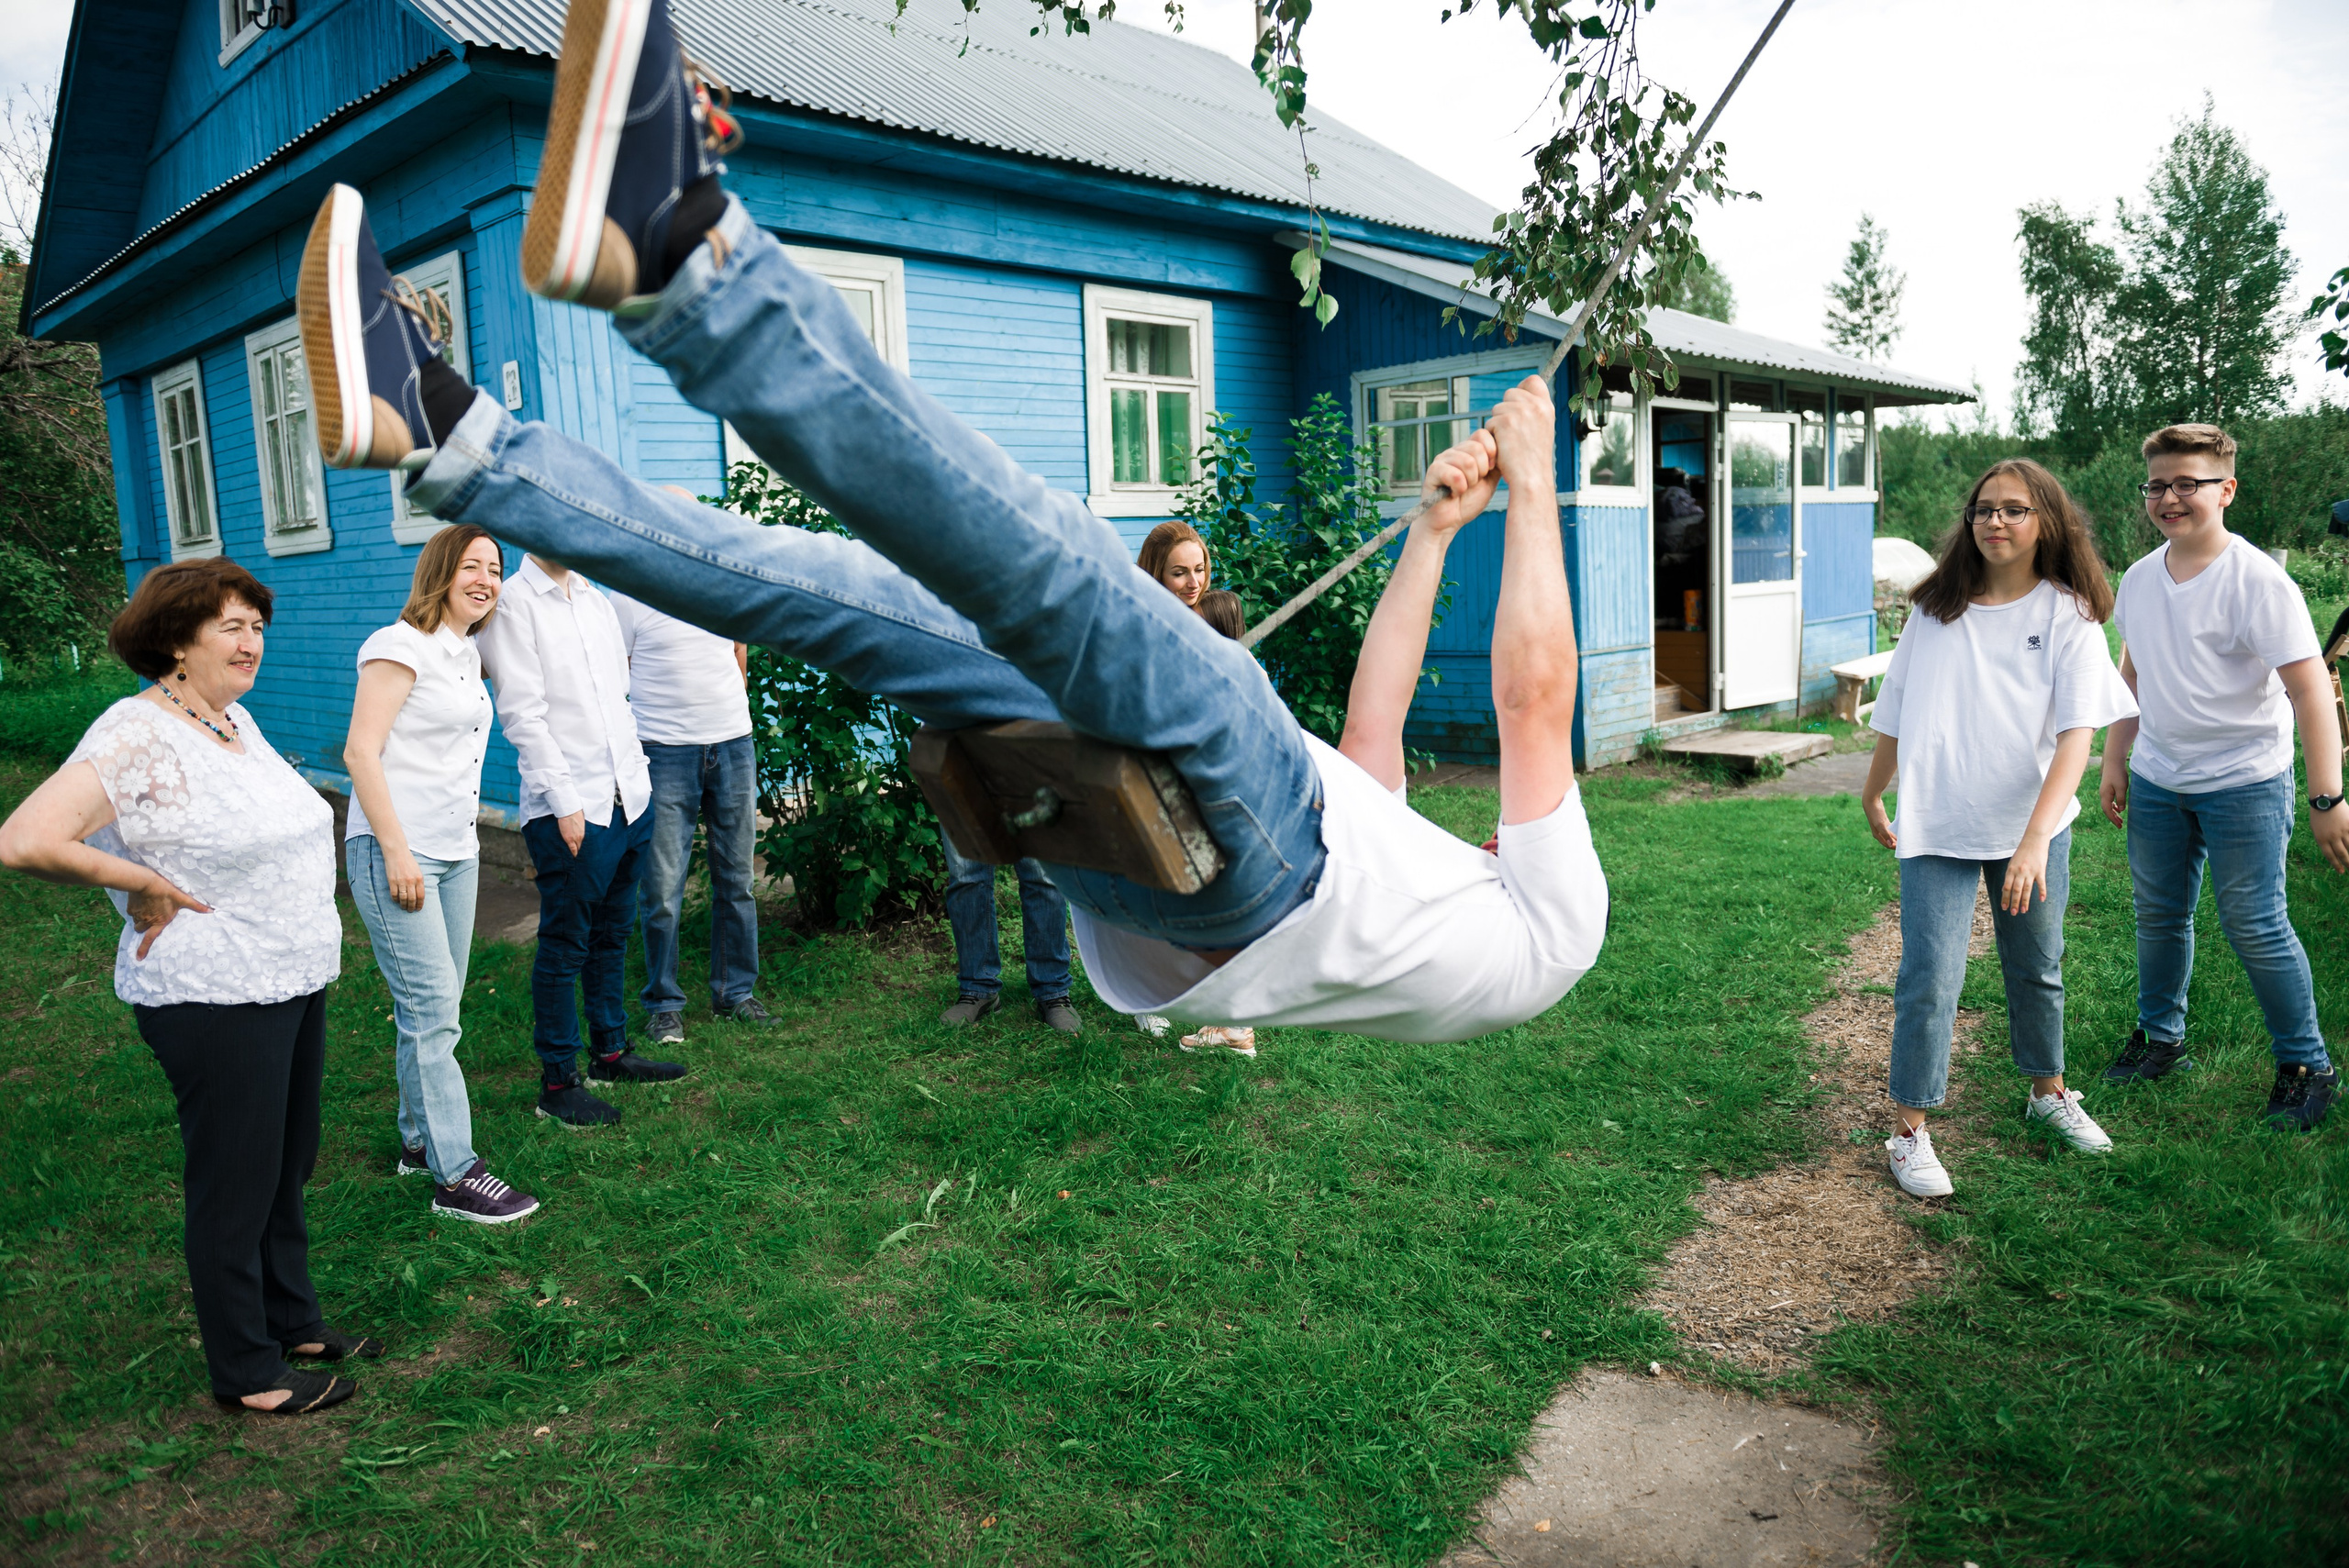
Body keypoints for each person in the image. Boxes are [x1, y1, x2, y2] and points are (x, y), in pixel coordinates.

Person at [293, 0, 1605, 1047]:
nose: (1517, 823)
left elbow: (1535, 702)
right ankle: (451, 438)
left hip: (1263, 854)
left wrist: (1539, 491)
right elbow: (1371, 741)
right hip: (1156, 894)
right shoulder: (1435, 910)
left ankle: (683, 256)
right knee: (846, 601)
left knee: (1062, 571)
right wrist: (1432, 537)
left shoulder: (1558, 933)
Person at [0, 559, 379, 1415]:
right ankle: (247, 1371)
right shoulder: (134, 734)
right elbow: (24, 837)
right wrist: (135, 880)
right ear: (177, 639)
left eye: (256, 624)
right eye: (230, 626)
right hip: (214, 992)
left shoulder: (229, 722)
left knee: (286, 1164)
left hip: (286, 975)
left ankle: (295, 1318)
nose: (251, 641)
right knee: (236, 1179)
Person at [1858, 462, 2138, 1197]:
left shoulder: (2070, 614)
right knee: (1930, 978)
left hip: (2031, 825)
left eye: (2014, 509)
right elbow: (1896, 704)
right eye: (1985, 509)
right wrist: (1872, 790)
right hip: (1939, 821)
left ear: (2045, 519)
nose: (1996, 522)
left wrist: (2036, 839)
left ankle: (2048, 1091)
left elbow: (2078, 735)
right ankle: (1910, 1131)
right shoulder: (1934, 608)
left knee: (2037, 963)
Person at [2097, 424, 2348, 1132]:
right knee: (2159, 914)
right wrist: (2118, 757)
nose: (2170, 498)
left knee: (2256, 923)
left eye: (2188, 484)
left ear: (2226, 489)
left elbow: (2310, 690)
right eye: (2157, 485)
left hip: (2245, 782)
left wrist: (2327, 795)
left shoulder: (2259, 582)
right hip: (2158, 779)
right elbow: (2134, 671)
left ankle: (2306, 1064)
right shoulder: (2140, 578)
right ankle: (2161, 1038)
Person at [344, 524, 539, 1223]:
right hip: (399, 851)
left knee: (432, 1010)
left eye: (495, 568)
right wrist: (395, 849)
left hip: (457, 851)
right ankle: (457, 1175)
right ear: (441, 570)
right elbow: (361, 753)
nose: (487, 579)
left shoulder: (465, 652)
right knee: (434, 1017)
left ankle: (418, 1143)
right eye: (473, 566)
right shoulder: (399, 646)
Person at [474, 539, 688, 1129]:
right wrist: (566, 803)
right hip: (570, 807)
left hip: (628, 796)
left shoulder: (595, 598)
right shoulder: (513, 602)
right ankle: (559, 1081)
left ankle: (611, 1051)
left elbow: (617, 698)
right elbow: (522, 712)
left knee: (613, 933)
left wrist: (638, 781)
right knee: (566, 944)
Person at [607, 567, 774, 1047]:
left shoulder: (725, 588)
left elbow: (738, 651)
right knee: (661, 889)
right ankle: (664, 1005)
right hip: (664, 754)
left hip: (733, 747)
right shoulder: (630, 594)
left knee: (738, 879)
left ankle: (735, 992)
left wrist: (725, 715)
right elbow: (618, 676)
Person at [1138, 520, 1211, 610]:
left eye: (1199, 569)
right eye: (1179, 573)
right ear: (1155, 575)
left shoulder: (1217, 613)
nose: (1194, 584)